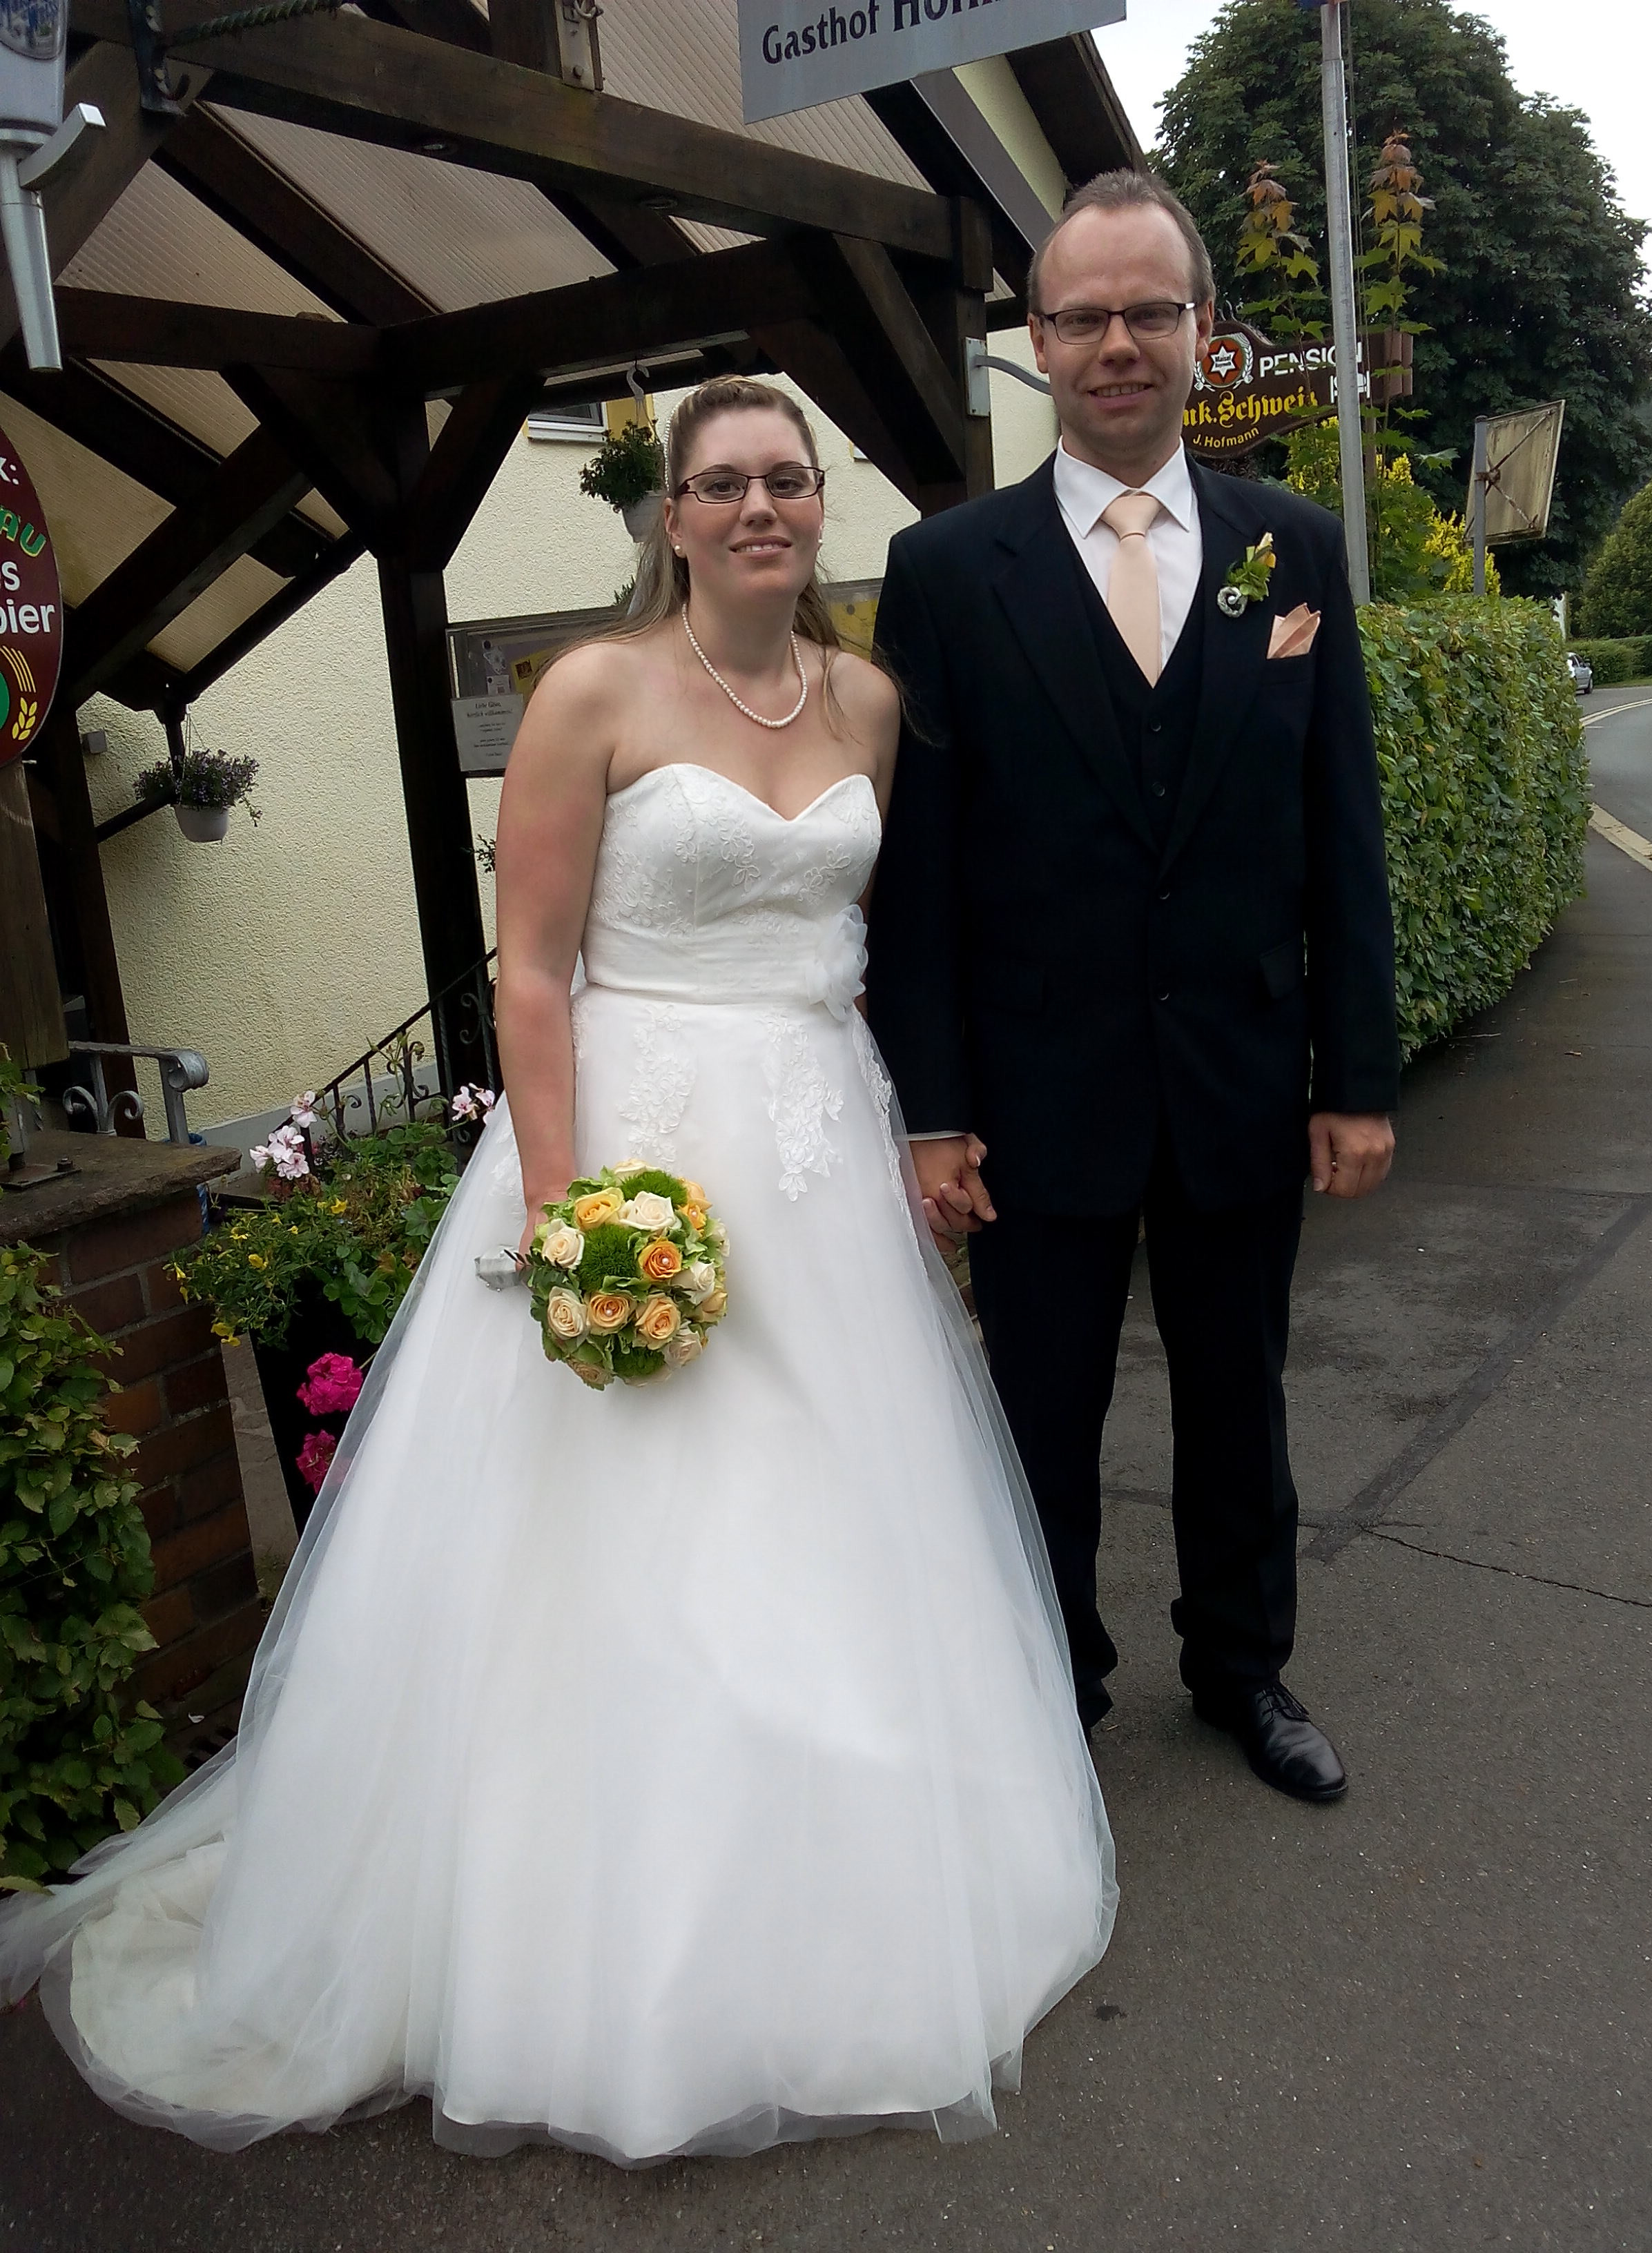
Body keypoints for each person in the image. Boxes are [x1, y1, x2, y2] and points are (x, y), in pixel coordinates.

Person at [0, 378, 1114, 2162]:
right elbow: (529, 968)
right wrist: (560, 1198)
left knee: (834, 1513)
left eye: (786, 478)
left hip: (819, 1142)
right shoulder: (591, 691)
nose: (759, 506)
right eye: (722, 483)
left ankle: (844, 1877)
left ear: (815, 507)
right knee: (623, 1524)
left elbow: (874, 939)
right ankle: (583, 1928)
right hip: (636, 1144)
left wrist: (919, 1133)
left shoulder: (873, 704)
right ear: (669, 516)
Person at [867, 173, 1399, 1804]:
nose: (1117, 343)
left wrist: (1356, 1074)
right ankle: (1056, 1692)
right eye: (1083, 316)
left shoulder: (1289, 549)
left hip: (1242, 1066)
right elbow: (922, 870)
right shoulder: (947, 570)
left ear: (1203, 335)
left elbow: (1342, 830)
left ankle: (1245, 1667)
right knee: (1041, 1422)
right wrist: (935, 1111)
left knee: (1244, 1398)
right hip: (1037, 1092)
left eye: (1148, 313)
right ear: (1036, 341)